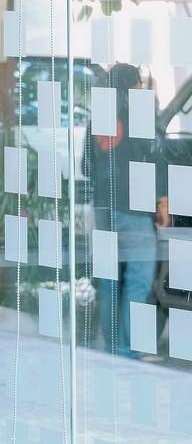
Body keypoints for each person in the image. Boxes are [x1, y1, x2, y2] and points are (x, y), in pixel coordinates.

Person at [85, 63, 167, 358]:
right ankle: (131, 350)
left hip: (105, 209)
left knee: (109, 279)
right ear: (132, 86)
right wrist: (161, 203)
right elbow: (155, 159)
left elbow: (85, 166)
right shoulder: (140, 114)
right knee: (138, 279)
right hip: (134, 210)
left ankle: (113, 347)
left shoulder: (99, 119)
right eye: (137, 84)